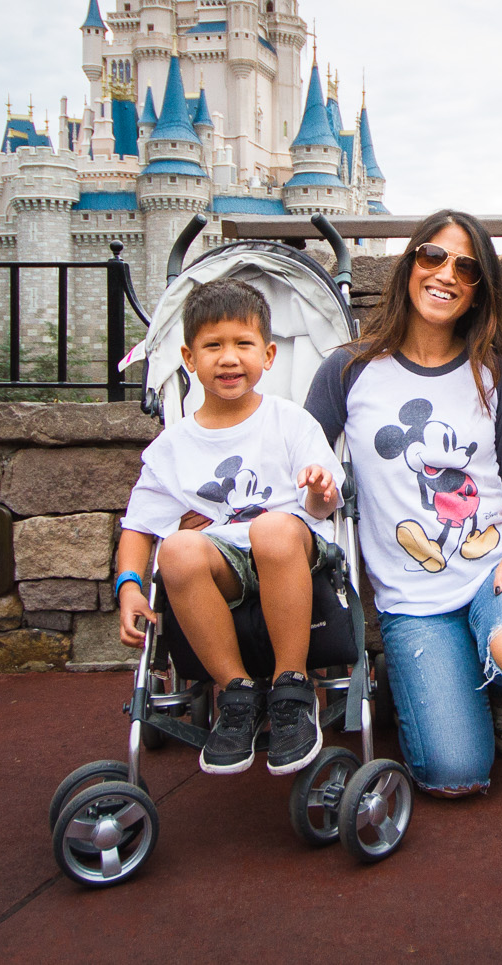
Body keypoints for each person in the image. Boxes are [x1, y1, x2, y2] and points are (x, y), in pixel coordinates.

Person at [305, 210, 502, 796]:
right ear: (410, 264)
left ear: (479, 291)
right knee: (457, 775)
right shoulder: (348, 370)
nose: (446, 272)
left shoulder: (493, 372)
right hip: (411, 601)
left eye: (466, 267)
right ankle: (433, 679)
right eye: (433, 255)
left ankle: (498, 684)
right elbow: (295, 466)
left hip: (491, 572)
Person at [114, 278, 345, 777]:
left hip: (292, 549)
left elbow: (324, 507)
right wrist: (130, 585)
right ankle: (237, 691)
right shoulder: (173, 447)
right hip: (225, 565)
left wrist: (319, 487)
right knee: (175, 549)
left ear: (268, 355)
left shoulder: (291, 422)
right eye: (213, 346)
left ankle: (291, 683)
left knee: (273, 530)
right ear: (188, 357)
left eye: (242, 344)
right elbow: (138, 527)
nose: (228, 358)